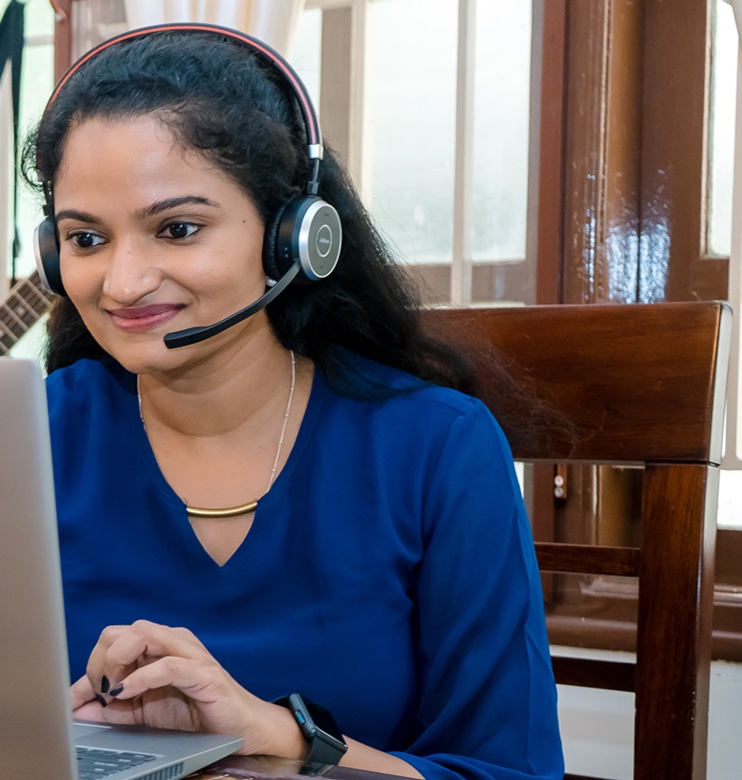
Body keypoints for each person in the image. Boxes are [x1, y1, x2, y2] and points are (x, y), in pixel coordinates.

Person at [30, 25, 563, 780]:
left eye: (177, 229)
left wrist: (276, 734)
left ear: (293, 237)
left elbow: (508, 772)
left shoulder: (436, 449)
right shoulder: (27, 437)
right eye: (86, 239)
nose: (121, 283)